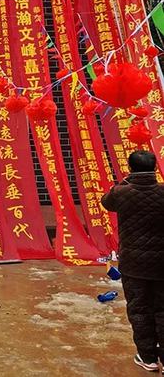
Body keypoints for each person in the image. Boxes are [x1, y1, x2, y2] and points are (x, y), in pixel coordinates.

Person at [101, 150, 164, 372]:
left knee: (139, 309)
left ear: (130, 168)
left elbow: (105, 202)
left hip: (133, 263)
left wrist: (126, 179)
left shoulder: (120, 192)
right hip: (161, 263)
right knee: (162, 309)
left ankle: (148, 358)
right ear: (155, 167)